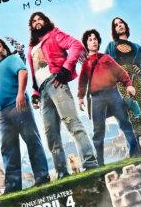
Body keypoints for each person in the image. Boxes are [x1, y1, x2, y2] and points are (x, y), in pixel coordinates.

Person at [27, 11, 99, 176]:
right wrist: (35, 92)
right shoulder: (31, 48)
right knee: (50, 134)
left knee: (73, 125)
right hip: (42, 90)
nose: (37, 22)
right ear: (31, 26)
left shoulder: (54, 34)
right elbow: (35, 72)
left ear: (46, 21)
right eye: (34, 21)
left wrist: (65, 70)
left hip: (56, 82)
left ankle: (90, 164)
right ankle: (61, 172)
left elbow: (76, 45)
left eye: (40, 19)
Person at [0, 38, 50, 193]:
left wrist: (21, 93)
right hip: (3, 113)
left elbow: (23, 72)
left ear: (5, 49)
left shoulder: (12, 59)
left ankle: (42, 177)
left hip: (18, 106)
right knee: (8, 148)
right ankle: (13, 186)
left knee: (31, 140)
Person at [78, 29, 141, 166]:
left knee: (125, 123)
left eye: (95, 39)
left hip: (113, 93)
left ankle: (135, 153)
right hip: (96, 99)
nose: (93, 41)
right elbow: (82, 82)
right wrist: (80, 97)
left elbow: (121, 73)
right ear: (86, 44)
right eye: (90, 39)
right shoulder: (85, 64)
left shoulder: (106, 58)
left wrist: (129, 85)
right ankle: (100, 163)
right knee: (98, 130)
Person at [105, 16, 141, 137]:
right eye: (116, 25)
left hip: (136, 80)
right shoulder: (111, 46)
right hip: (121, 82)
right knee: (130, 109)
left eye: (121, 23)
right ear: (114, 30)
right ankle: (136, 144)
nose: (119, 25)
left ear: (125, 25)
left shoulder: (137, 47)